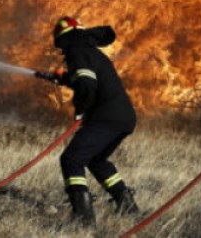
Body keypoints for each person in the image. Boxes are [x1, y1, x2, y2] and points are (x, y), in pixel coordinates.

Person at [48, 16, 139, 225]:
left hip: (106, 117)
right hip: (123, 117)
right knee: (96, 160)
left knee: (71, 159)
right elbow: (85, 78)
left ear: (64, 39)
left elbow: (87, 85)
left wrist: (81, 110)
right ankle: (127, 205)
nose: (62, 50)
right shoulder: (89, 50)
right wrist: (64, 78)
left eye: (61, 45)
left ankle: (84, 220)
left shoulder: (77, 50)